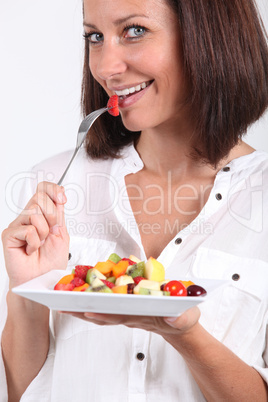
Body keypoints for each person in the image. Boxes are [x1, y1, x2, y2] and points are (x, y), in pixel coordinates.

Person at [1, 0, 268, 400]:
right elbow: (23, 394)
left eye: (135, 31)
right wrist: (26, 292)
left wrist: (187, 335)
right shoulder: (51, 187)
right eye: (95, 36)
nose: (106, 67)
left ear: (209, 37)